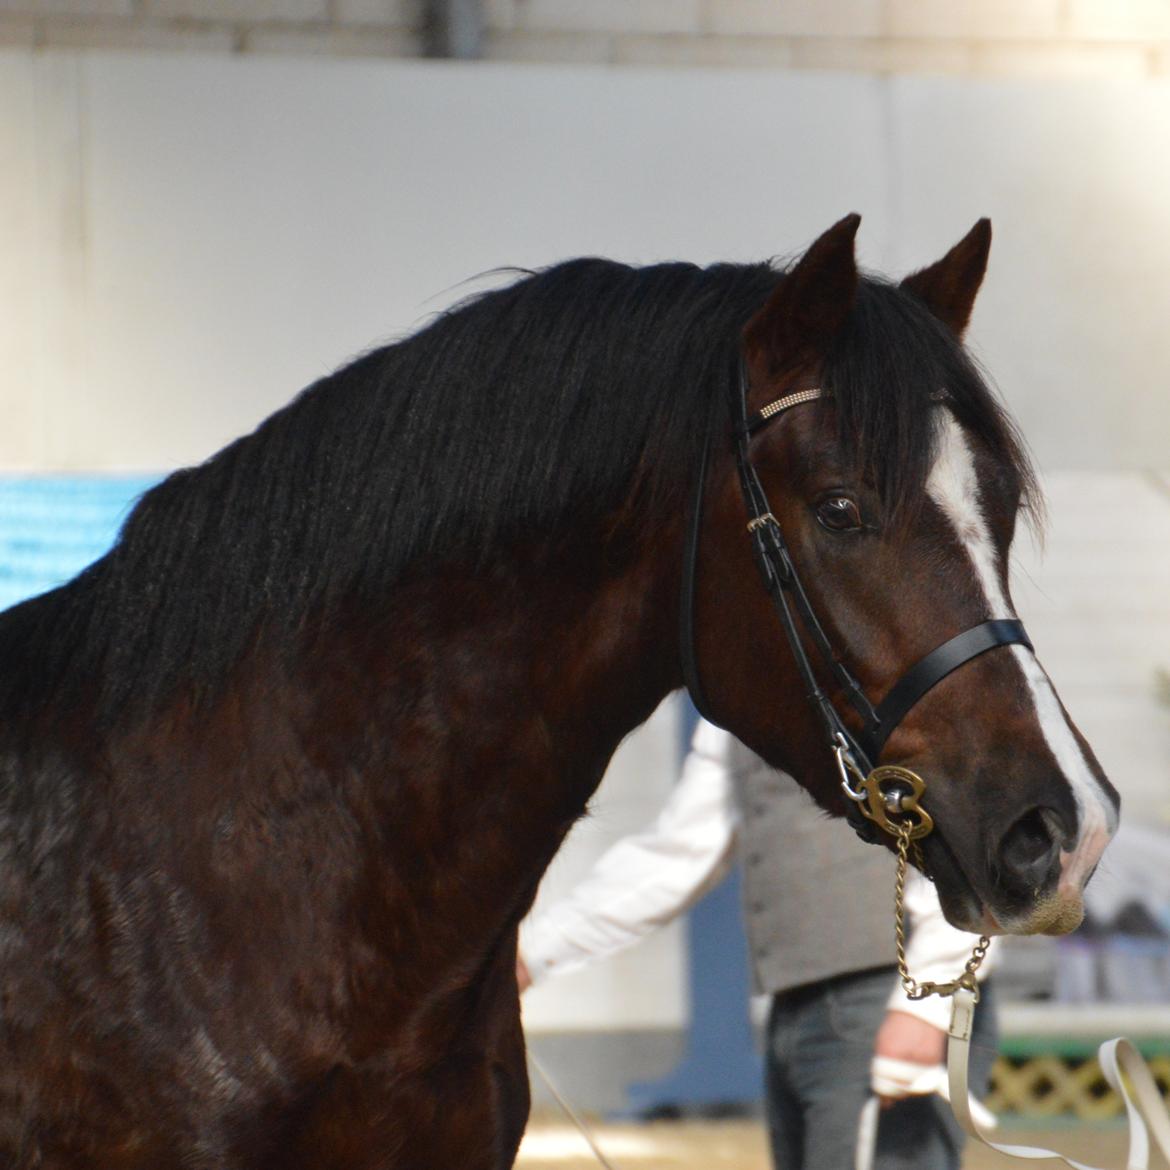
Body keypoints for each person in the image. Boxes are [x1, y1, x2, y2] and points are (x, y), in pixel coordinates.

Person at [519, 719, 1000, 1170]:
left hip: (890, 1000)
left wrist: (926, 1004)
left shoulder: (889, 647)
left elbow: (969, 826)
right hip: (794, 1007)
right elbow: (682, 851)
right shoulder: (731, 698)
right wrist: (530, 954)